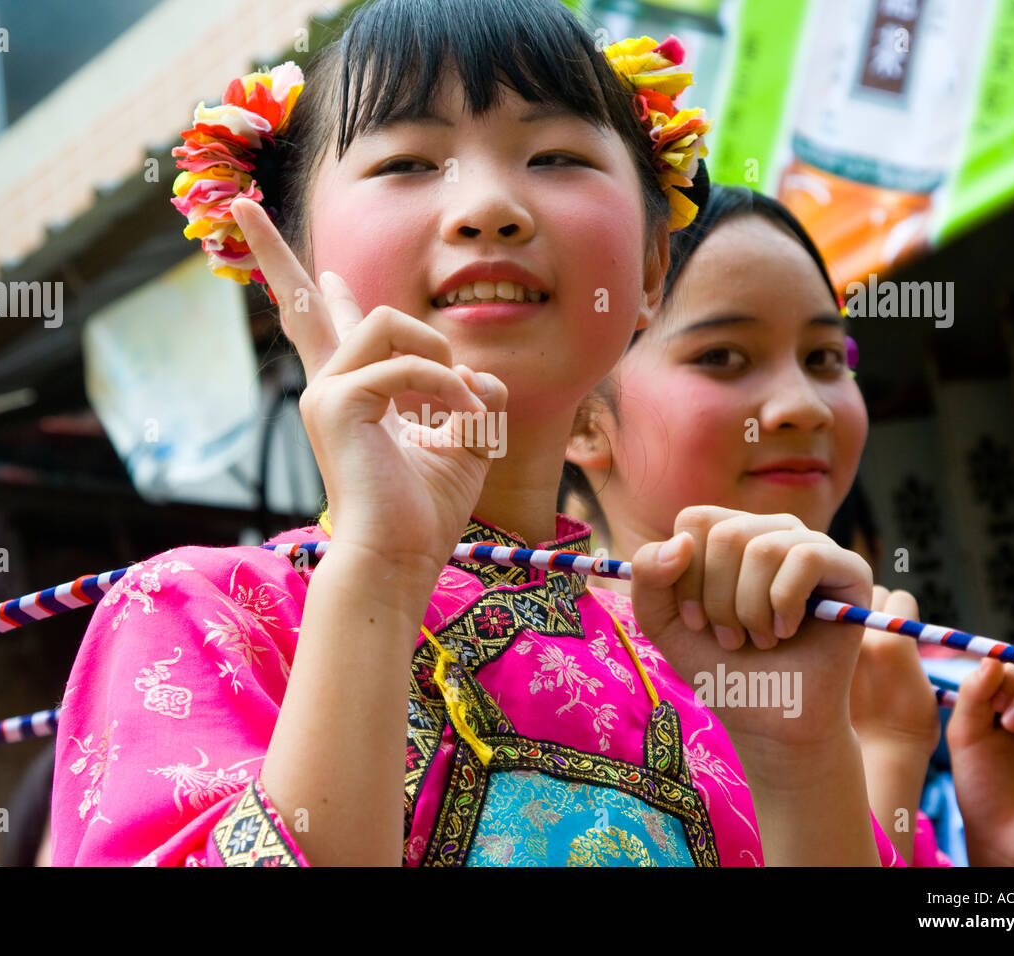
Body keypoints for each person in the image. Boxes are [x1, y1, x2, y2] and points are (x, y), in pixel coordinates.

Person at [53, 0, 895, 867]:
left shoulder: (719, 661)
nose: (489, 208)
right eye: (408, 161)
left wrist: (802, 759)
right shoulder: (209, 617)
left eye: (557, 156)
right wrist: (378, 574)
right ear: (289, 270)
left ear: (651, 269)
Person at [563, 184, 1014, 866]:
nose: (804, 406)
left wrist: (1012, 857)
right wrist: (879, 759)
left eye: (824, 358)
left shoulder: (893, 671)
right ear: (583, 418)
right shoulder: (552, 685)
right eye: (723, 356)